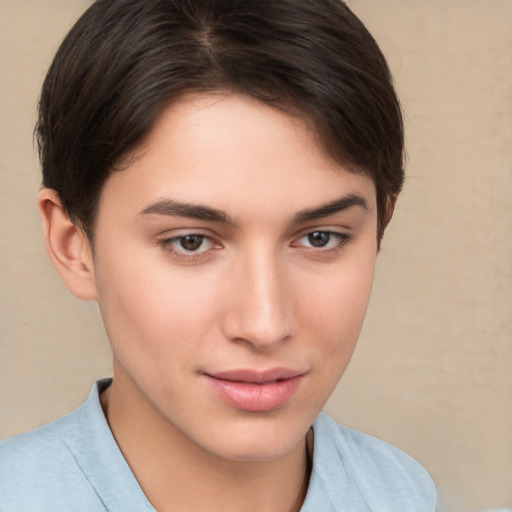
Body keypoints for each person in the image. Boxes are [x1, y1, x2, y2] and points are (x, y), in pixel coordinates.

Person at [0, 0, 437, 510]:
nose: (264, 323)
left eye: (321, 238)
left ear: (380, 225)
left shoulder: (405, 493)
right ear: (73, 246)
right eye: (190, 241)